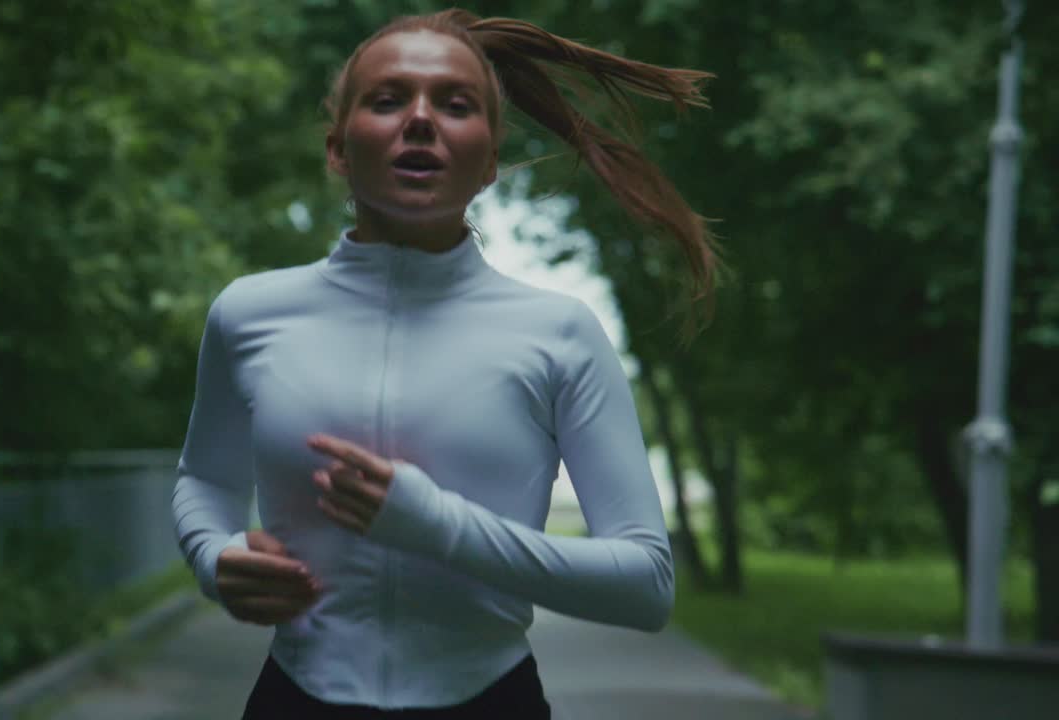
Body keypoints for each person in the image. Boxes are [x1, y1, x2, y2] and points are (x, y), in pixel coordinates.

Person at [173, 8, 719, 719]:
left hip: (490, 701)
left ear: (489, 161)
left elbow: (646, 585)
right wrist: (214, 560)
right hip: (294, 698)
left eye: (456, 105)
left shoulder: (560, 333)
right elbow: (204, 480)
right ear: (339, 149)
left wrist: (437, 526)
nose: (421, 119)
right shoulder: (247, 313)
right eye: (388, 99)